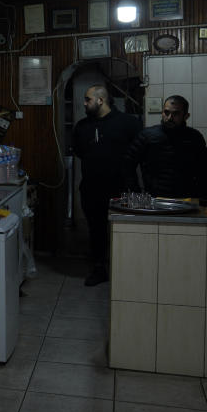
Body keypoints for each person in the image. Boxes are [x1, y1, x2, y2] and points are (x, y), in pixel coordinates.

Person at [73, 84, 142, 286]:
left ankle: (128, 269)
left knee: (124, 230)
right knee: (96, 230)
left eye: (88, 99)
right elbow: (79, 151)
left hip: (121, 188)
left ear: (101, 100)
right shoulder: (82, 126)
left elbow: (140, 152)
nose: (84, 103)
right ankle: (100, 268)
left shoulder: (128, 123)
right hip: (92, 189)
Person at [123, 94, 207, 199]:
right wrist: (136, 192)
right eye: (166, 112)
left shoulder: (194, 137)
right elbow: (128, 163)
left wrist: (200, 197)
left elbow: (204, 171)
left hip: (186, 200)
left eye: (176, 114)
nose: (170, 117)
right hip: (154, 199)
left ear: (186, 116)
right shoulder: (147, 135)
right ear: (162, 112)